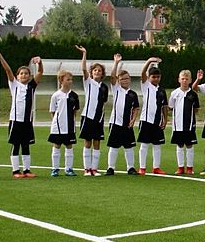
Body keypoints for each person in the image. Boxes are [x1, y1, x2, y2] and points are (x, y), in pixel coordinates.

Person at [0, 50, 43, 178]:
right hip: (16, 120)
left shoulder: (31, 86)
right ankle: (15, 171)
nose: (24, 75)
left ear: (29, 76)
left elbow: (40, 72)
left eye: (26, 73)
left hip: (27, 121)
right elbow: (8, 70)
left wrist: (40, 63)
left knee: (26, 145)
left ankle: (27, 170)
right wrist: (1, 57)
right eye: (21, 73)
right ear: (17, 76)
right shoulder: (14, 85)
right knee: (16, 145)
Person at [74, 45, 109, 177]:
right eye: (95, 70)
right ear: (92, 72)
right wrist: (84, 54)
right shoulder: (88, 82)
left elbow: (103, 102)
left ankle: (94, 168)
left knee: (97, 142)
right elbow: (83, 69)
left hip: (99, 118)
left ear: (102, 73)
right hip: (87, 116)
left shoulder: (104, 87)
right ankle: (87, 169)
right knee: (87, 142)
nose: (97, 72)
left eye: (99, 70)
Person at [105, 54, 140, 175]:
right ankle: (110, 168)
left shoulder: (133, 94)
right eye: (122, 79)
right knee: (113, 146)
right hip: (115, 123)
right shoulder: (116, 89)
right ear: (119, 81)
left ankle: (130, 167)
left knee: (129, 147)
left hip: (127, 124)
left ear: (130, 80)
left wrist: (133, 120)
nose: (125, 81)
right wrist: (116, 63)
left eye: (127, 78)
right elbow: (112, 77)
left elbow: (136, 108)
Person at [137, 57, 168, 175]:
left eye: (158, 77)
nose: (156, 79)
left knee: (157, 145)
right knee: (144, 145)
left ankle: (156, 167)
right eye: (153, 77)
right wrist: (149, 61)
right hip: (146, 120)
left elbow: (164, 106)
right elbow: (142, 73)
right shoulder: (146, 86)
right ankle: (142, 167)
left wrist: (165, 119)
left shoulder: (162, 90)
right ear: (149, 77)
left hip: (157, 121)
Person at [48, 70, 80, 177]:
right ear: (61, 80)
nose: (70, 81)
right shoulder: (56, 95)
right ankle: (55, 169)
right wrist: (56, 122)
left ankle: (69, 169)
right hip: (58, 127)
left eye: (71, 79)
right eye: (68, 79)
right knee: (56, 145)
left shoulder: (74, 96)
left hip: (70, 127)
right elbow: (52, 111)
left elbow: (75, 111)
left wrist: (71, 121)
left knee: (69, 146)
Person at [169, 69, 201, 175]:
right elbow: (171, 107)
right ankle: (180, 167)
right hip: (177, 125)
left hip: (189, 125)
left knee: (189, 145)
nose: (184, 81)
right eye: (182, 79)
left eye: (186, 79)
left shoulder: (193, 94)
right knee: (179, 145)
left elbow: (196, 109)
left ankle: (190, 168)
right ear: (179, 80)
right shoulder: (174, 93)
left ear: (190, 80)